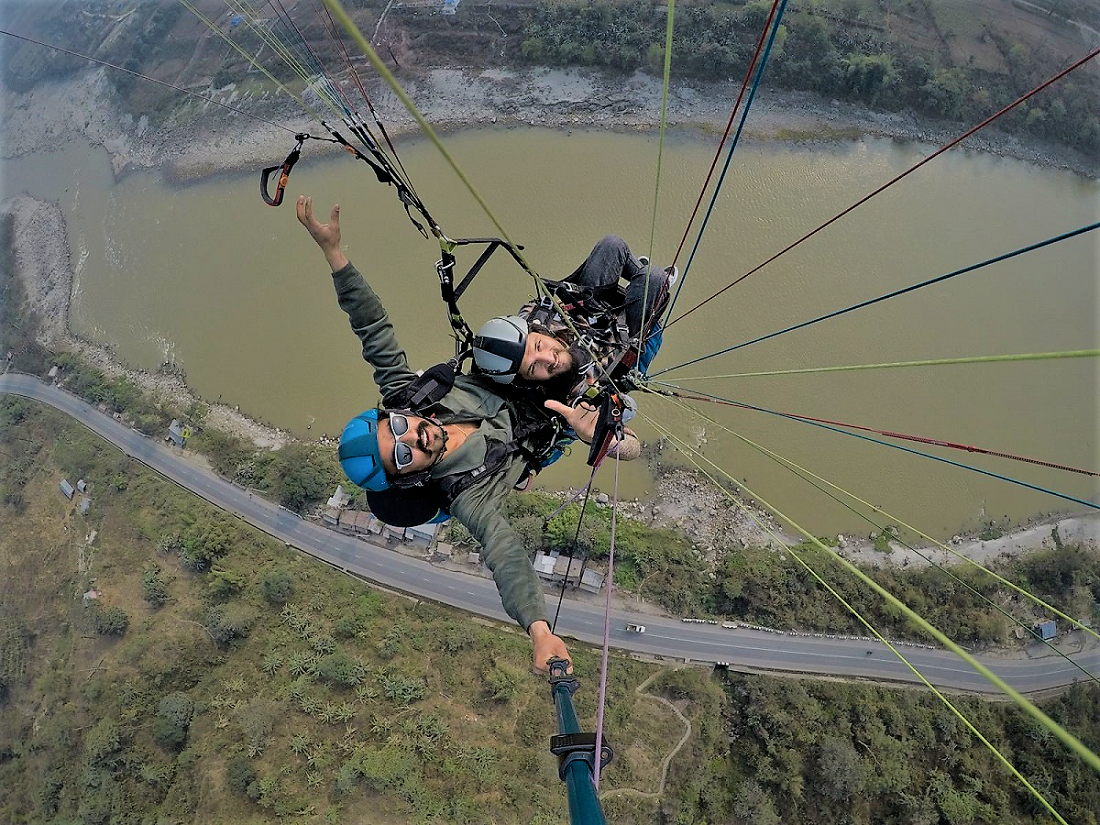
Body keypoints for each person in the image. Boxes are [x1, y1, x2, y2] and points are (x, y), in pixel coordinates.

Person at [297, 195, 625, 675]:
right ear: (408, 479)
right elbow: (504, 553)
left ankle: (601, 306)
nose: (416, 436)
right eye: (403, 456)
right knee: (647, 305)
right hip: (563, 412)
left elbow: (373, 330)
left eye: (400, 428)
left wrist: (334, 254)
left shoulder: (411, 395)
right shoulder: (465, 494)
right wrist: (538, 628)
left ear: (395, 414)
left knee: (612, 251)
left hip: (522, 364)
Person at [472, 236, 676, 436]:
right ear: (528, 381)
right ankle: (642, 278)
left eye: (538, 346)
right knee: (654, 278)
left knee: (612, 245)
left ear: (537, 331)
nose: (548, 359)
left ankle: (636, 276)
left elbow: (541, 303)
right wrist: (611, 409)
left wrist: (570, 298)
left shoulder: (531, 319)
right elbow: (624, 412)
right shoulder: (569, 394)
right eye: (533, 368)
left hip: (592, 308)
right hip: (624, 335)